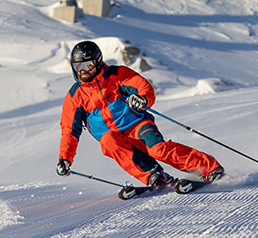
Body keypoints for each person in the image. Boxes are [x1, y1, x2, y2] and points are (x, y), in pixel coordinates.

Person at [56, 41, 225, 187]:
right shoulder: (75, 96)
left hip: (138, 125)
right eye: (78, 67)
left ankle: (209, 168)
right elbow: (69, 131)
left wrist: (142, 99)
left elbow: (144, 88)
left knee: (158, 150)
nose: (83, 71)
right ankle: (155, 176)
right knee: (108, 141)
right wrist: (65, 158)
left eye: (88, 65)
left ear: (98, 62)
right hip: (115, 137)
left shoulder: (118, 75)